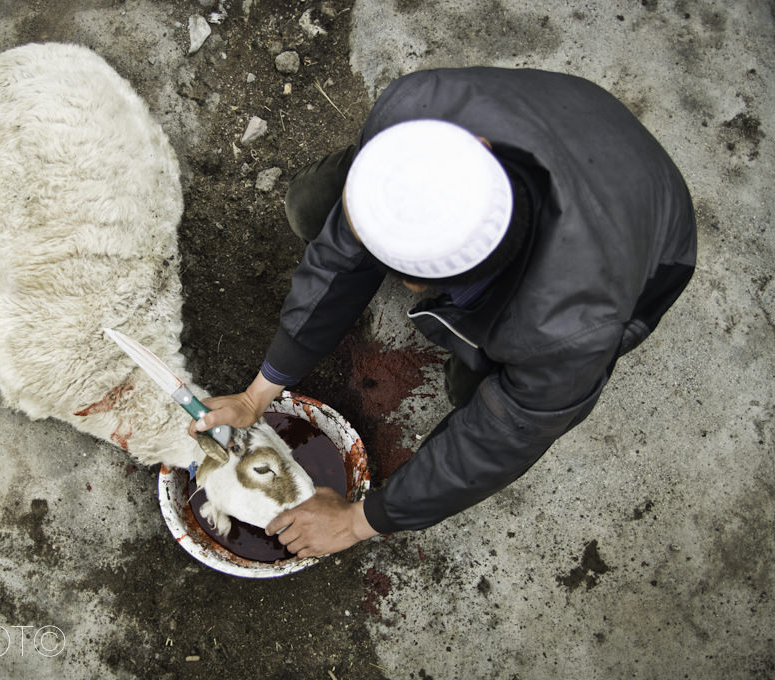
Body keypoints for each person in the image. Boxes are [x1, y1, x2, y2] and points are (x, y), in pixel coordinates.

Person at [193, 67, 697, 558]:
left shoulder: (568, 330)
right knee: (311, 206)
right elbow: (339, 259)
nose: (352, 238)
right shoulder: (415, 109)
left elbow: (496, 443)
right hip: (569, 120)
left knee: (473, 388)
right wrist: (258, 394)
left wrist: (356, 520)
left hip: (650, 234)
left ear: (410, 282)